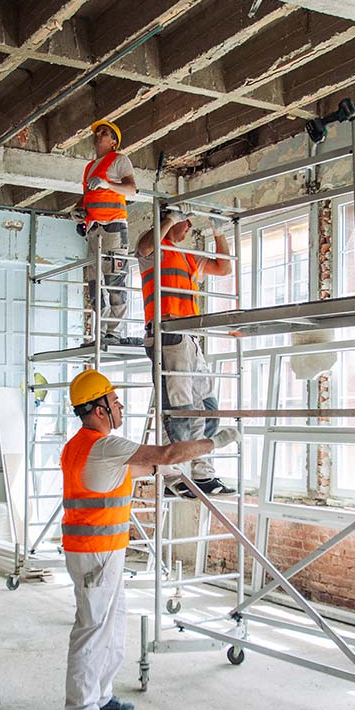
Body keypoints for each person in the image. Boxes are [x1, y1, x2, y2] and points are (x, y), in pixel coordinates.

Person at [59, 368, 221, 710]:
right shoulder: (103, 445)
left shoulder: (82, 447)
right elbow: (162, 454)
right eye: (114, 402)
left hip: (103, 550)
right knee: (93, 628)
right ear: (99, 409)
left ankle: (101, 696)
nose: (120, 407)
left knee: (112, 624)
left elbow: (147, 466)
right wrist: (212, 443)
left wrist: (168, 465)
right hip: (95, 552)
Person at [135, 206, 235, 496]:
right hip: (166, 332)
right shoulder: (156, 246)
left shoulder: (187, 256)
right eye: (185, 222)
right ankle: (175, 476)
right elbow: (143, 246)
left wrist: (219, 232)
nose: (188, 228)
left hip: (189, 336)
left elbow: (224, 267)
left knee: (206, 405)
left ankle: (202, 474)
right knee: (177, 409)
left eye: (189, 223)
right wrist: (170, 219)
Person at [77, 121, 135, 345]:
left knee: (115, 281)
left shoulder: (120, 160)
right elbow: (88, 196)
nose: (98, 134)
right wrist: (79, 209)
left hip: (113, 227)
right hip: (94, 229)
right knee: (95, 286)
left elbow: (131, 189)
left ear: (114, 142)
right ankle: (99, 334)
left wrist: (107, 184)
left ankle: (115, 333)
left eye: (104, 132)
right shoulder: (90, 167)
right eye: (97, 132)